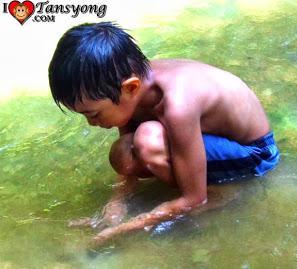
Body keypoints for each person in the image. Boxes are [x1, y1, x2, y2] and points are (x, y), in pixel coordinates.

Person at [48, 22, 280, 248]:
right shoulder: (130, 86)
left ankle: (223, 194)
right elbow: (128, 169)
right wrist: (115, 205)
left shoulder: (177, 104)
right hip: (215, 140)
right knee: (124, 152)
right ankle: (195, 181)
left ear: (130, 88)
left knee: (148, 141)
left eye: (94, 114)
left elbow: (194, 200)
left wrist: (127, 228)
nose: (91, 123)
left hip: (255, 153)